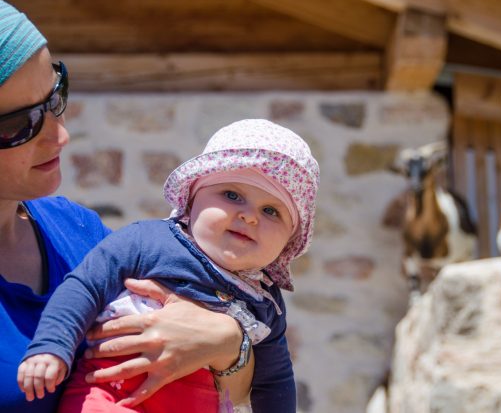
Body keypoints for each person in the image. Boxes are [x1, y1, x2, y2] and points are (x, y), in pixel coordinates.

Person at [0, 0, 251, 413]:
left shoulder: (79, 231)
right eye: (19, 125)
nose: (59, 136)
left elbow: (238, 389)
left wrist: (227, 341)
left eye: (55, 95)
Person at [19, 118, 320, 413]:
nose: (249, 216)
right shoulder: (147, 241)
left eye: (271, 211)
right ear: (192, 198)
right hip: (112, 393)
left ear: (287, 240)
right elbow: (85, 286)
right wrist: (52, 346)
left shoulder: (264, 300)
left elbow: (275, 382)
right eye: (232, 195)